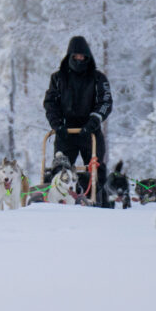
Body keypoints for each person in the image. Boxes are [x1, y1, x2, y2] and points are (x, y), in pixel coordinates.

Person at [43, 36, 113, 207]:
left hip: (90, 131)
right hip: (65, 131)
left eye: (83, 57)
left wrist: (94, 120)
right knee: (60, 170)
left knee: (96, 170)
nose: (79, 60)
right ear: (70, 56)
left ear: (88, 57)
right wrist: (57, 124)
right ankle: (58, 203)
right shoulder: (58, 78)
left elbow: (106, 101)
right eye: (76, 57)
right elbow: (50, 102)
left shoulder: (98, 78)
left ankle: (97, 204)